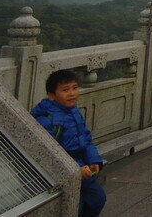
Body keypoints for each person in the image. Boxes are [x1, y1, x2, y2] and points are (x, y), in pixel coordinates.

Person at [31, 70, 106, 217]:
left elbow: (85, 138)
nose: (72, 93)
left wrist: (93, 160)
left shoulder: (73, 112)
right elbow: (49, 152)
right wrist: (75, 169)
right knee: (74, 208)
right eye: (65, 90)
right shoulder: (47, 119)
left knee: (97, 199)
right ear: (52, 95)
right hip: (60, 170)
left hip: (82, 165)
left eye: (75, 88)